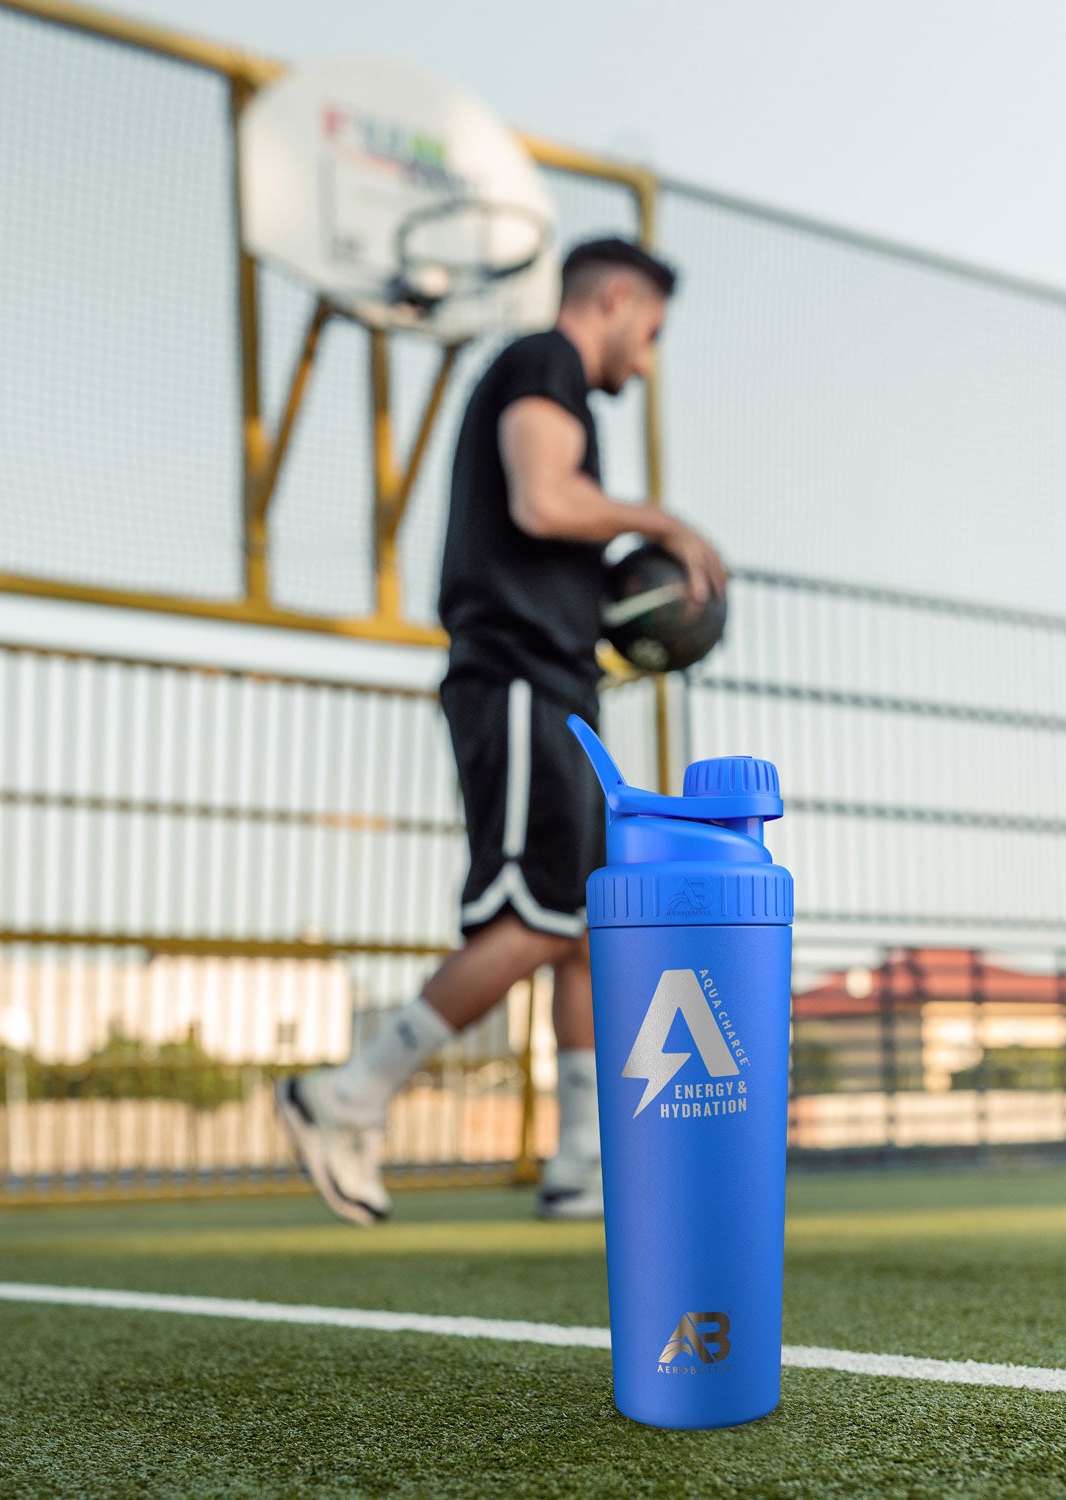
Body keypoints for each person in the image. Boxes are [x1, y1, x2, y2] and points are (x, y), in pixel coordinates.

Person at [276, 236, 726, 1226]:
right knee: (531, 918)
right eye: (647, 335)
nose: (644, 363)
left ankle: (580, 1164)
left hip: (554, 678)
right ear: (612, 300)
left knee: (584, 930)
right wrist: (665, 526)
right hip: (518, 676)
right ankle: (345, 1093)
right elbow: (542, 497)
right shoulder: (542, 363)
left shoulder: (553, 375)